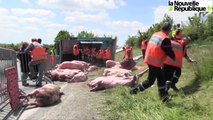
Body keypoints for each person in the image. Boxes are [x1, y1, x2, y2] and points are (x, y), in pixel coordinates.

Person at [130, 22, 175, 102]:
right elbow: (168, 51)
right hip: (155, 62)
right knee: (150, 81)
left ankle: (163, 96)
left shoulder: (156, 34)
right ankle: (133, 91)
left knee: (161, 78)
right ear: (169, 30)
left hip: (150, 59)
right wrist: (174, 57)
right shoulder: (165, 38)